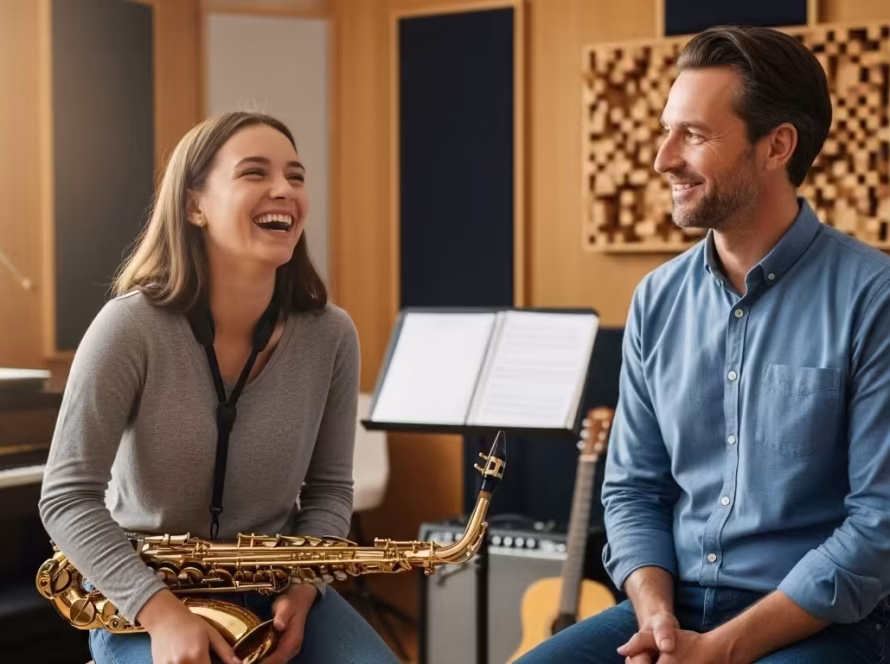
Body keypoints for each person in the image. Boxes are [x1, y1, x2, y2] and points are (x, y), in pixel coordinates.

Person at [517, 24, 890, 664]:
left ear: (777, 146)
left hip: (820, 625)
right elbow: (633, 489)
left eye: (693, 134)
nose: (663, 158)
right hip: (670, 609)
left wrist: (721, 650)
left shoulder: (874, 296)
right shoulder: (656, 299)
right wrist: (660, 623)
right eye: (667, 130)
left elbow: (877, 524)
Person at [38, 111, 401, 664]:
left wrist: (305, 588)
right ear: (194, 205)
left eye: (296, 176)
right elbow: (65, 498)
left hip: (281, 586)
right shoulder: (128, 327)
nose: (284, 189)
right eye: (255, 172)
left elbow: (329, 492)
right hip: (144, 596)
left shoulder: (332, 334)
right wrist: (160, 612)